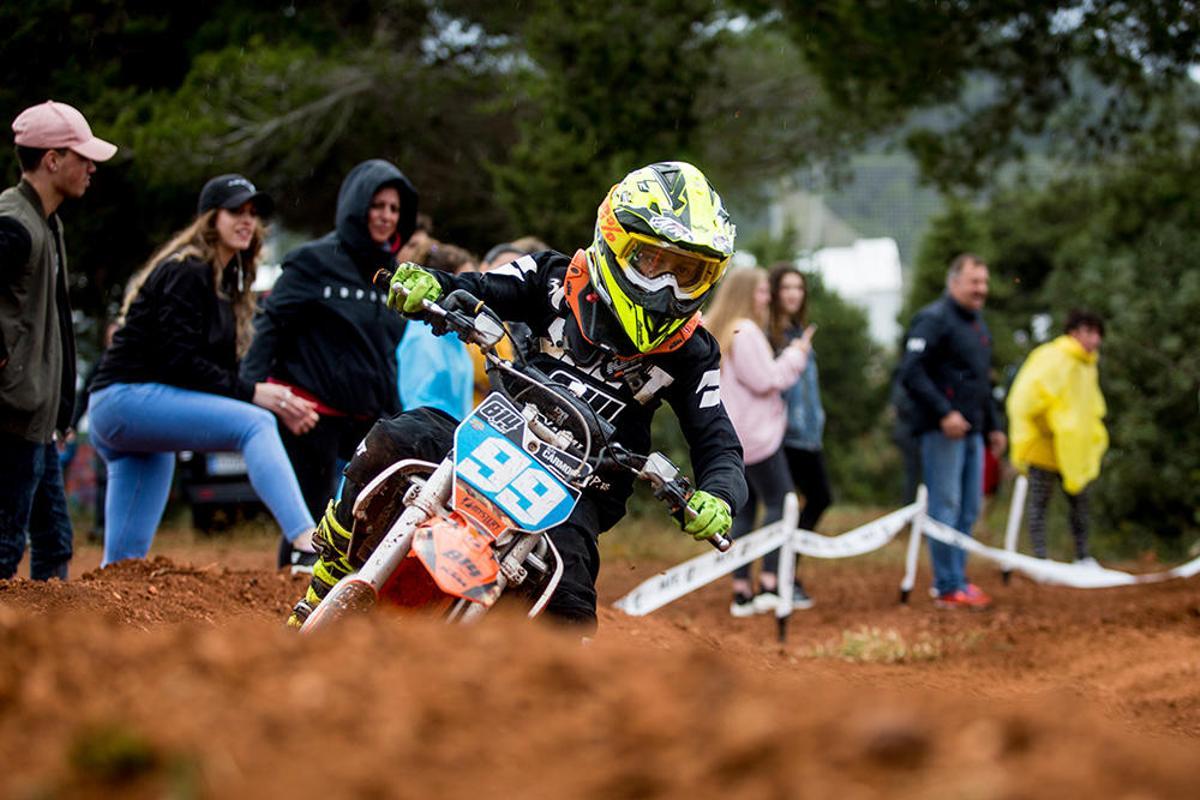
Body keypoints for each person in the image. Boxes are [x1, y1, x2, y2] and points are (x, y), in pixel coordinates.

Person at [287, 161, 747, 631]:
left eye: (687, 273)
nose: (668, 285)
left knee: (570, 611)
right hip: (490, 443)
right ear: (615, 240)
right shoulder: (554, 277)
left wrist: (719, 497)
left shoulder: (691, 350)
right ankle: (328, 576)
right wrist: (432, 285)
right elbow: (479, 288)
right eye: (655, 261)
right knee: (397, 439)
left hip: (578, 494)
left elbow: (718, 441)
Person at [88, 174, 318, 567]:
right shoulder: (188, 270)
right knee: (255, 423)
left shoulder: (223, 283)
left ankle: (104, 604)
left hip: (138, 418)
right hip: (122, 399)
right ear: (211, 218)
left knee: (123, 565)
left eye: (252, 213)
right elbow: (179, 363)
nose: (247, 221)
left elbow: (215, 373)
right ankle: (306, 541)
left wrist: (274, 397)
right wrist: (256, 395)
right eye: (235, 211)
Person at [240, 160, 418, 566]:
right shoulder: (313, 261)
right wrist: (250, 390)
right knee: (309, 520)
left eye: (394, 209)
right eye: (378, 205)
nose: (387, 216)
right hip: (310, 416)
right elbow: (272, 324)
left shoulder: (392, 275)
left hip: (367, 415)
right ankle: (288, 586)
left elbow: (383, 350)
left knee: (370, 517)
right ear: (357, 205)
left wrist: (397, 417)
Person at [0, 100, 116, 581]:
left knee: (54, 545)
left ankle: (51, 630)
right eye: (82, 157)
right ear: (52, 160)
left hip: (37, 420)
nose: (91, 167)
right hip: (13, 419)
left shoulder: (46, 221)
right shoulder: (14, 225)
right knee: (5, 548)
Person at [898, 253, 1006, 610]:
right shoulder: (933, 319)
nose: (981, 289)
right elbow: (911, 372)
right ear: (954, 282)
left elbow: (982, 381)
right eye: (975, 281)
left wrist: (994, 426)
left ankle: (958, 579)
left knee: (969, 508)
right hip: (941, 431)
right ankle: (946, 585)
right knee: (945, 505)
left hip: (974, 431)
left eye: (984, 282)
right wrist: (944, 413)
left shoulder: (978, 325)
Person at [705, 266, 810, 617]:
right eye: (763, 291)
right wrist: (797, 354)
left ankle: (741, 591)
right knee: (781, 503)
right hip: (758, 438)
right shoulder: (746, 331)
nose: (768, 298)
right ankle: (768, 583)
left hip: (732, 437)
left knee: (746, 512)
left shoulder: (718, 328)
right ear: (746, 294)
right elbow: (768, 380)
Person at [1006, 310, 1108, 564]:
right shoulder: (1052, 356)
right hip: (1045, 445)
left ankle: (1083, 557)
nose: (1094, 339)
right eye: (1089, 332)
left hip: (1074, 450)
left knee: (1080, 504)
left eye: (1098, 333)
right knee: (1039, 503)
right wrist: (1048, 428)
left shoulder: (1088, 365)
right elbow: (1027, 397)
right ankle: (1040, 558)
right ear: (1073, 332)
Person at [768, 263, 831, 607]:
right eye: (787, 287)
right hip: (784, 435)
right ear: (775, 292)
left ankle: (784, 572)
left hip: (807, 434)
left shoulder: (797, 330)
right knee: (791, 504)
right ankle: (779, 576)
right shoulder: (769, 334)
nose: (794, 294)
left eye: (799, 288)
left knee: (814, 499)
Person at [395, 241, 477, 419]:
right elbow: (418, 405)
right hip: (430, 432)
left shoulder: (453, 334)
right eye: (465, 286)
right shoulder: (423, 337)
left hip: (453, 431)